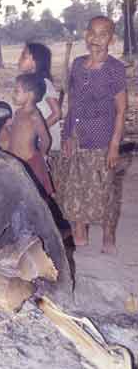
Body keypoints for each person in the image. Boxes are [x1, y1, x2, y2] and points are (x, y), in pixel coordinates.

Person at [60, 16, 126, 254]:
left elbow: (121, 109)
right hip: (77, 134)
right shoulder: (77, 64)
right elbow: (73, 102)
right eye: (92, 32)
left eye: (103, 34)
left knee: (103, 186)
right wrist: (67, 135)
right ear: (86, 34)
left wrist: (115, 145)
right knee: (76, 183)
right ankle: (80, 227)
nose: (96, 38)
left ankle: (108, 232)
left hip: (102, 137)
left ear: (112, 39)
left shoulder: (115, 69)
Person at [2, 73, 53, 196]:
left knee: (32, 196)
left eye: (17, 91)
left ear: (29, 95)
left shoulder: (34, 116)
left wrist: (41, 156)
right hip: (15, 162)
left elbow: (46, 139)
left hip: (29, 163)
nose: (13, 94)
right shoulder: (18, 112)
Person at [18, 42, 61, 152]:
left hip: (46, 143)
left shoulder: (44, 83)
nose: (19, 59)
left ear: (35, 61)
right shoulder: (29, 84)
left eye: (24, 56)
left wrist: (36, 132)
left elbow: (57, 114)